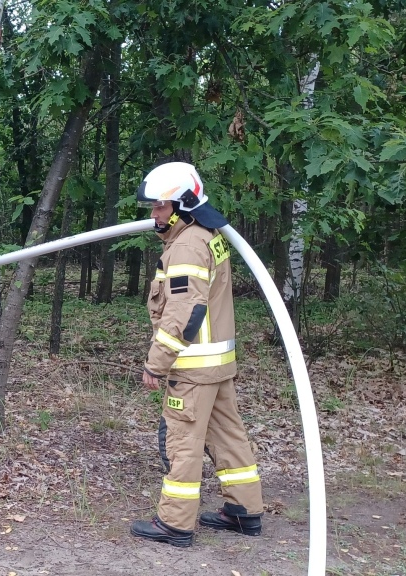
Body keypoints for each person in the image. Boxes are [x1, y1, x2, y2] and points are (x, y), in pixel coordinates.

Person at [128, 162, 264, 547]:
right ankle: (245, 510)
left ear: (182, 206)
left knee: (183, 441)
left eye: (159, 207)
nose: (153, 215)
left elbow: (184, 311)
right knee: (228, 436)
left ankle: (175, 523)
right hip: (215, 364)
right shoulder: (208, 234)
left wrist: (157, 363)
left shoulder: (187, 244)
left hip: (191, 367)